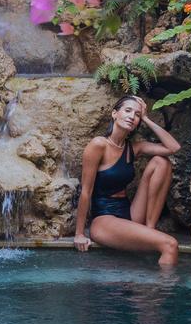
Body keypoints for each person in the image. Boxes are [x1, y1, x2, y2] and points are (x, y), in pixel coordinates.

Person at [73, 95, 182, 266]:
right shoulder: (99, 145)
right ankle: (162, 283)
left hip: (129, 213)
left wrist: (146, 118)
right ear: (114, 114)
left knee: (162, 162)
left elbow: (173, 148)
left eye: (137, 114)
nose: (132, 116)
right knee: (170, 245)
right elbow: (86, 191)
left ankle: (150, 228)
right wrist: (79, 233)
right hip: (104, 219)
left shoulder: (134, 148)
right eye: (128, 110)